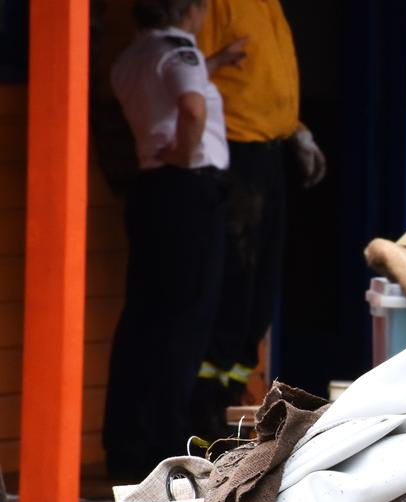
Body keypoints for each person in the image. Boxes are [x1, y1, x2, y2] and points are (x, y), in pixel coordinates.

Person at [104, 0, 230, 476]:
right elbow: (192, 108)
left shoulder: (131, 56)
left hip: (152, 189)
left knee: (144, 316)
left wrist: (213, 65)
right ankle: (168, 447)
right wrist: (185, 151)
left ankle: (126, 444)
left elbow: (167, 90)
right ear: (191, 11)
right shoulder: (182, 51)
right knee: (186, 318)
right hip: (188, 188)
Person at [191, 0, 325, 434]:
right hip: (234, 154)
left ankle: (233, 397)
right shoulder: (218, 6)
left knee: (262, 282)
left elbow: (268, 81)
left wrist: (296, 130)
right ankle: (206, 407)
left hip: (270, 152)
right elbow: (193, 78)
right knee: (234, 280)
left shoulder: (270, 6)